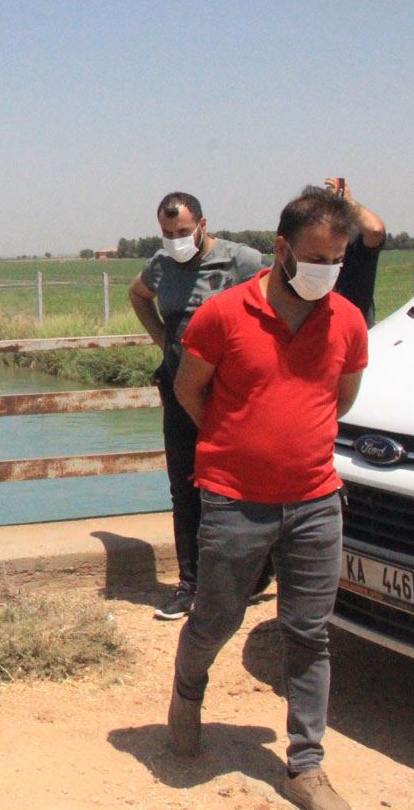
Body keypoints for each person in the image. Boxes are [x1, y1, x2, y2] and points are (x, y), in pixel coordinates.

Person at [166, 187, 368, 810]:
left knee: (308, 632)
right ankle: (187, 689)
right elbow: (188, 391)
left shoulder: (348, 320)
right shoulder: (222, 315)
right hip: (233, 501)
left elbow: (342, 398)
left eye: (336, 259)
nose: (326, 271)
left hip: (315, 500)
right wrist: (236, 445)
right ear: (281, 249)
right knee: (217, 618)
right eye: (315, 257)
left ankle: (305, 765)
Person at [128, 192, 265, 620]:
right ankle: (190, 585)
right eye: (167, 234)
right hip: (176, 389)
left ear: (203, 224)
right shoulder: (160, 265)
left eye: (183, 232)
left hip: (228, 393)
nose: (175, 240)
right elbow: (138, 296)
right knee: (184, 487)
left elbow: (276, 297)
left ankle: (257, 569)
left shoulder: (240, 260)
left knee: (238, 483)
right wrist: (164, 341)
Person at [323, 178, 387, 326]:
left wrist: (347, 201)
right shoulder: (311, 249)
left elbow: (375, 230)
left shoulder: (358, 246)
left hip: (354, 332)